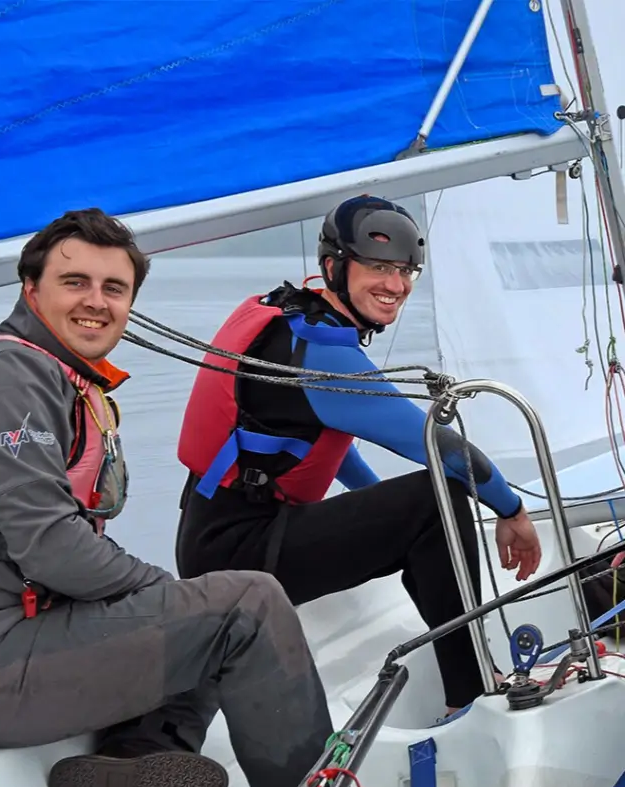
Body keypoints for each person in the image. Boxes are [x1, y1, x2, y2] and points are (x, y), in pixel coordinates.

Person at [0, 208, 336, 787]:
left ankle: (133, 767)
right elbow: (55, 550)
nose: (97, 301)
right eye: (75, 282)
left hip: (6, 650)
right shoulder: (6, 375)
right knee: (249, 604)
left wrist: (166, 597)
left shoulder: (57, 378)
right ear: (30, 290)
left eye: (115, 288)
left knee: (200, 606)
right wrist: (161, 589)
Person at [174, 194, 543, 718]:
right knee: (437, 498)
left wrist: (378, 509)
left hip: (216, 535)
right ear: (334, 266)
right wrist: (513, 511)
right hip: (238, 554)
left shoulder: (292, 316)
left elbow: (312, 443)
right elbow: (436, 447)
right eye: (377, 267)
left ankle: (469, 677)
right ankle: (472, 689)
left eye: (405, 270)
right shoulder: (320, 351)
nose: (396, 285)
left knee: (422, 508)